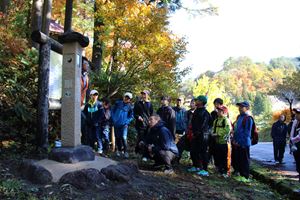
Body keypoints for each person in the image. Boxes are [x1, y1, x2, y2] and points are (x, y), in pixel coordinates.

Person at [188, 95, 211, 176]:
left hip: (203, 136)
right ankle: (196, 166)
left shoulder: (205, 113)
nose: (196, 102)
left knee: (203, 152)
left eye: (197, 100)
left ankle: (205, 170)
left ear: (201, 102)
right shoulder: (197, 111)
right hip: (195, 135)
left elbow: (204, 125)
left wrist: (197, 133)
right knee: (193, 151)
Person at [231, 101, 253, 179]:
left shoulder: (248, 118)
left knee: (245, 161)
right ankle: (240, 174)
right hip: (237, 143)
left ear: (247, 108)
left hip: (244, 143)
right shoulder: (239, 117)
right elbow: (236, 130)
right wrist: (234, 140)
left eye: (242, 107)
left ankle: (245, 177)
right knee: (238, 159)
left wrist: (241, 143)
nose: (240, 108)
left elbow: (247, 133)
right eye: (239, 107)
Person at [111, 92, 134, 158]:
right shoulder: (118, 103)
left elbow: (131, 116)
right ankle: (119, 151)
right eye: (125, 97)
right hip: (116, 124)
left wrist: (127, 122)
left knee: (124, 137)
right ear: (123, 97)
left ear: (130, 99)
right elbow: (112, 110)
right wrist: (113, 118)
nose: (126, 99)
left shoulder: (130, 107)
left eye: (128, 98)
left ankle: (126, 151)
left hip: (124, 125)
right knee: (117, 137)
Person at [212, 105, 232, 177]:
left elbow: (227, 130)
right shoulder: (216, 120)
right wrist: (213, 134)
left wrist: (218, 134)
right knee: (218, 156)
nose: (218, 112)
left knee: (225, 157)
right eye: (218, 110)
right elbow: (213, 128)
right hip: (217, 142)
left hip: (224, 142)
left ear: (224, 112)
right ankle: (220, 170)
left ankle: (226, 172)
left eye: (220, 111)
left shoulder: (226, 120)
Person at [134, 90, 153, 159]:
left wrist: (150, 122)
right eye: (142, 94)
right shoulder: (138, 103)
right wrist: (138, 116)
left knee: (146, 139)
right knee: (140, 138)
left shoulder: (150, 104)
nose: (143, 95)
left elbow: (151, 114)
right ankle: (138, 152)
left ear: (148, 95)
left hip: (147, 125)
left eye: (145, 94)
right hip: (139, 124)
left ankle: (144, 154)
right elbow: (134, 113)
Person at [209, 98, 224, 164]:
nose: (216, 105)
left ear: (221, 105)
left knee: (219, 151)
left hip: (220, 136)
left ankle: (219, 165)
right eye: (215, 104)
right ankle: (212, 163)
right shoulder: (213, 113)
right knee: (211, 148)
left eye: (218, 104)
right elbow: (210, 123)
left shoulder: (224, 113)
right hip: (213, 133)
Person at [81, 57, 90, 145]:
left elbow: (85, 90)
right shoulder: (76, 74)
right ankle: (83, 143)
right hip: (73, 103)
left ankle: (84, 144)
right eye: (85, 63)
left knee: (85, 122)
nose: (87, 65)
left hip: (81, 104)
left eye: (87, 64)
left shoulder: (86, 76)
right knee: (83, 121)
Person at [290, 108, 300, 182]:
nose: (295, 115)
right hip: (296, 145)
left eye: (297, 114)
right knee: (297, 160)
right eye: (295, 113)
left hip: (298, 143)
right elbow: (292, 132)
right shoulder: (295, 122)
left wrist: (292, 139)